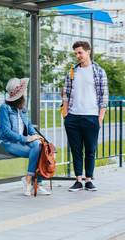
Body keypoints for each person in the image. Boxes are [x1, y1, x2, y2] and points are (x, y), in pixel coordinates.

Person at [63, 41, 108, 192]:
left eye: (80, 53)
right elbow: (66, 95)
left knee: (90, 149)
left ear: (88, 52)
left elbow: (103, 97)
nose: (78, 56)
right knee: (76, 150)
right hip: (73, 118)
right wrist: (66, 116)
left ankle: (89, 180)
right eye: (76, 53)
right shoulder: (72, 72)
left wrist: (100, 118)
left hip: (91, 117)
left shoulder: (99, 72)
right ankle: (78, 180)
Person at [0, 78, 51, 196]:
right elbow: (6, 132)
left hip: (21, 141)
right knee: (36, 151)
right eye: (24, 88)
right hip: (8, 143)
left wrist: (36, 136)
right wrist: (26, 139)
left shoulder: (23, 107)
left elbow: (29, 125)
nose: (26, 89)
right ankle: (34, 183)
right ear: (20, 92)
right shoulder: (4, 108)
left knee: (39, 145)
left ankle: (29, 179)